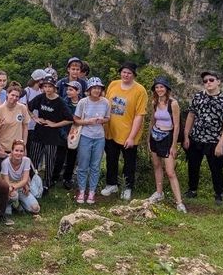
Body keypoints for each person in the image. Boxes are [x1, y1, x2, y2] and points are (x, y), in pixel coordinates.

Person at [183, 71, 223, 204]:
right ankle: (192, 190)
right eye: (205, 81)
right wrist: (186, 136)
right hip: (196, 138)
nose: (208, 83)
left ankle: (219, 193)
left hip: (214, 140)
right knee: (193, 166)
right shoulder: (198, 96)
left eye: (211, 80)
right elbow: (191, 116)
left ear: (218, 81)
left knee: (216, 169)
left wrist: (221, 144)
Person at [101, 62, 148, 201]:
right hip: (111, 130)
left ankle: (127, 187)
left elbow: (139, 115)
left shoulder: (140, 90)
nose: (126, 75)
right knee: (111, 159)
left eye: (129, 73)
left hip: (129, 133)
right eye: (124, 72)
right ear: (120, 73)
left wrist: (132, 137)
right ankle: (111, 184)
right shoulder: (113, 84)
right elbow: (106, 104)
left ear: (133, 75)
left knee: (129, 162)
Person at [146, 77, 186, 213]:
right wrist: (148, 138)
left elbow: (176, 126)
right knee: (157, 166)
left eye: (161, 87)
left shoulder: (173, 103)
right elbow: (152, 121)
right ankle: (159, 192)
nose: (159, 90)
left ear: (167, 88)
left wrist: (174, 145)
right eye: (156, 87)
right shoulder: (154, 102)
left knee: (170, 171)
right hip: (155, 136)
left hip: (168, 138)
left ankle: (179, 202)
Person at [26, 75, 73, 191]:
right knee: (34, 158)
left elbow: (69, 119)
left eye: (50, 87)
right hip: (39, 132)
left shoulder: (60, 102)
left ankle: (47, 183)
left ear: (54, 88)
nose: (47, 89)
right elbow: (27, 107)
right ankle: (31, 181)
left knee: (50, 159)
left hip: (52, 136)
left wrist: (54, 124)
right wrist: (34, 117)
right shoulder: (40, 98)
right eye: (45, 86)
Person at [73, 77, 110, 204]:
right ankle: (82, 190)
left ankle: (92, 191)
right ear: (89, 89)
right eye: (94, 88)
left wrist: (101, 120)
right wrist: (87, 122)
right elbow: (76, 119)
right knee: (83, 164)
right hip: (85, 135)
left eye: (99, 88)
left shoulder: (105, 102)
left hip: (99, 137)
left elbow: (107, 118)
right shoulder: (83, 102)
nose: (96, 90)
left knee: (95, 165)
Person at [0, 140, 41, 215]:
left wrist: (24, 185)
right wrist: (13, 188)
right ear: (12, 151)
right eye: (16, 150)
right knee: (13, 195)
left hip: (20, 187)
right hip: (9, 188)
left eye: (21, 151)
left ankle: (20, 204)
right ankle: (9, 204)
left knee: (36, 209)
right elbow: (6, 182)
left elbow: (25, 180)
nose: (19, 153)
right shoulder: (5, 162)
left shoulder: (27, 160)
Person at [53, 80, 81, 190]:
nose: (68, 92)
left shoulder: (82, 103)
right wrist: (64, 134)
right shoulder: (63, 102)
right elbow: (59, 118)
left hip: (76, 134)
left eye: (71, 89)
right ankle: (54, 176)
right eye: (67, 89)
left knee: (72, 157)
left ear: (78, 91)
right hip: (63, 133)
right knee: (59, 157)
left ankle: (67, 178)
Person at [0, 84, 30, 155]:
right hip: (4, 147)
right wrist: (0, 148)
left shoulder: (22, 108)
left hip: (18, 148)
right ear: (7, 94)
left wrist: (24, 145)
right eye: (12, 95)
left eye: (17, 96)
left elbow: (25, 127)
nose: (14, 98)